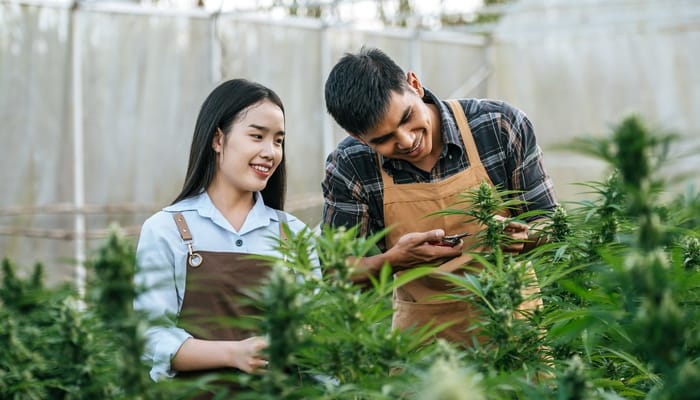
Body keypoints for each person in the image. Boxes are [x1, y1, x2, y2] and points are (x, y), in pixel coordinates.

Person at [321, 47, 557, 345]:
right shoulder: (350, 164)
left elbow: (553, 225)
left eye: (407, 118)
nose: (406, 141)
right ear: (358, 137)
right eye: (383, 140)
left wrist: (527, 235)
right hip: (424, 346)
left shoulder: (498, 125)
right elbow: (336, 271)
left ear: (415, 84)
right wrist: (394, 260)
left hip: (515, 333)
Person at [134, 78, 315, 395]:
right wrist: (234, 354)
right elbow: (150, 336)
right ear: (218, 139)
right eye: (257, 136)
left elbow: (319, 330)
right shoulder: (167, 229)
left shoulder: (294, 234)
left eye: (278, 141)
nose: (269, 152)